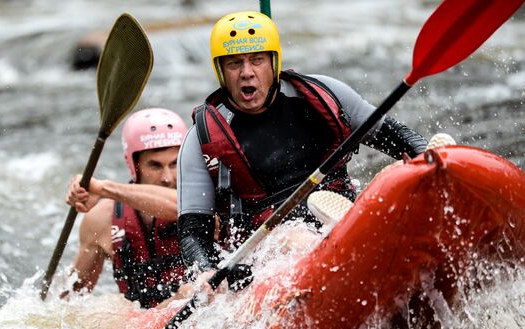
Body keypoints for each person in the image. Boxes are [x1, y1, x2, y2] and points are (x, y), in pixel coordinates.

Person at [176, 11, 428, 287]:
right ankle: (338, 251)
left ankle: (354, 240)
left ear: (274, 63)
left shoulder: (323, 93)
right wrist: (207, 272)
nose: (247, 72)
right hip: (268, 252)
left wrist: (427, 156)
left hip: (342, 212)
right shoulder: (201, 139)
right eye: (235, 63)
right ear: (221, 71)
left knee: (393, 178)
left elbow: (397, 137)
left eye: (257, 60)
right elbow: (193, 234)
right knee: (294, 238)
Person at [64, 108, 193, 309]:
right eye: (155, 166)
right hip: (136, 328)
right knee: (109, 305)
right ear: (134, 165)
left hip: (194, 315)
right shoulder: (101, 219)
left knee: (189, 293)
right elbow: (70, 299)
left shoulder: (202, 202)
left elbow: (181, 205)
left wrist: (102, 188)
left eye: (175, 164)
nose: (167, 178)